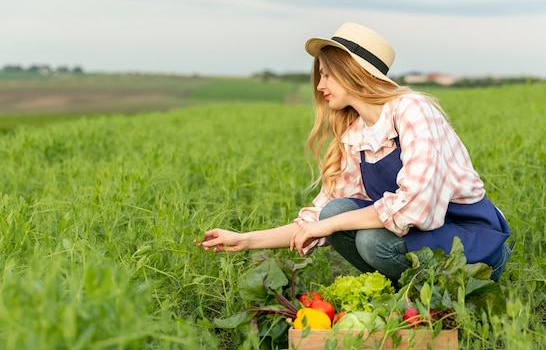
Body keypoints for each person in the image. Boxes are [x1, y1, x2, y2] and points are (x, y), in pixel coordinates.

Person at [195, 22, 511, 284]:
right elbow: (318, 218)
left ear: (353, 72)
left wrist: (329, 226)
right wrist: (246, 240)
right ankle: (407, 300)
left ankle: (438, 298)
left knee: (367, 238)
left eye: (328, 74)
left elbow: (417, 206)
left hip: (473, 248)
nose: (320, 85)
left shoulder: (413, 110)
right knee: (335, 211)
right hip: (423, 243)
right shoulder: (356, 135)